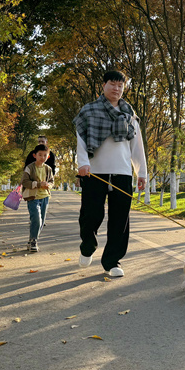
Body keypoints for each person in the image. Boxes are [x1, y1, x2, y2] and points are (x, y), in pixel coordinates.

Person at [73, 70, 147, 277]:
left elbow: (137, 146)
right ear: (103, 85)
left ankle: (112, 261)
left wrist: (141, 173)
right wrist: (83, 163)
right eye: (112, 84)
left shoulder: (129, 115)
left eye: (120, 86)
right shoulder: (89, 111)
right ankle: (87, 246)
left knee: (120, 219)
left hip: (122, 172)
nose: (116, 88)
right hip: (94, 172)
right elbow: (81, 139)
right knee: (91, 215)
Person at [20, 144, 53, 252]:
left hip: (45, 197)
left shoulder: (48, 169)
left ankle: (31, 240)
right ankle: (34, 240)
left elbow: (52, 182)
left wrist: (49, 185)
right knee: (36, 219)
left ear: (47, 157)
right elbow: (25, 182)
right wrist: (38, 184)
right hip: (32, 197)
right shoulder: (29, 168)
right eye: (40, 155)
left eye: (45, 155)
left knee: (42, 221)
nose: (42, 157)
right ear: (35, 155)